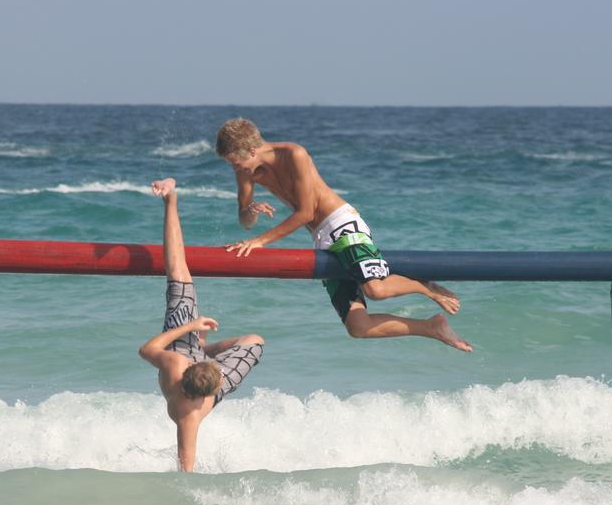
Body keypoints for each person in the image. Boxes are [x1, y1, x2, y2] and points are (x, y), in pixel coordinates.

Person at [216, 118, 472, 353]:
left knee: (375, 289)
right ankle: (431, 328)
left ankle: (424, 286)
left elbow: (306, 212)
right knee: (358, 327)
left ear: (251, 151)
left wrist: (261, 241)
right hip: (321, 239)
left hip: (342, 224)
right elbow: (245, 221)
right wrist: (251, 210)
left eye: (236, 162)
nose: (235, 168)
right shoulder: (244, 173)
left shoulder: (294, 154)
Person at [138, 178, 264, 472]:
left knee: (179, 273)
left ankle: (172, 201)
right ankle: (205, 348)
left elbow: (147, 349)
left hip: (190, 348)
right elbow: (187, 462)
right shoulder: (194, 410)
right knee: (255, 341)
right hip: (207, 369)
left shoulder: (175, 363)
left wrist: (190, 326)